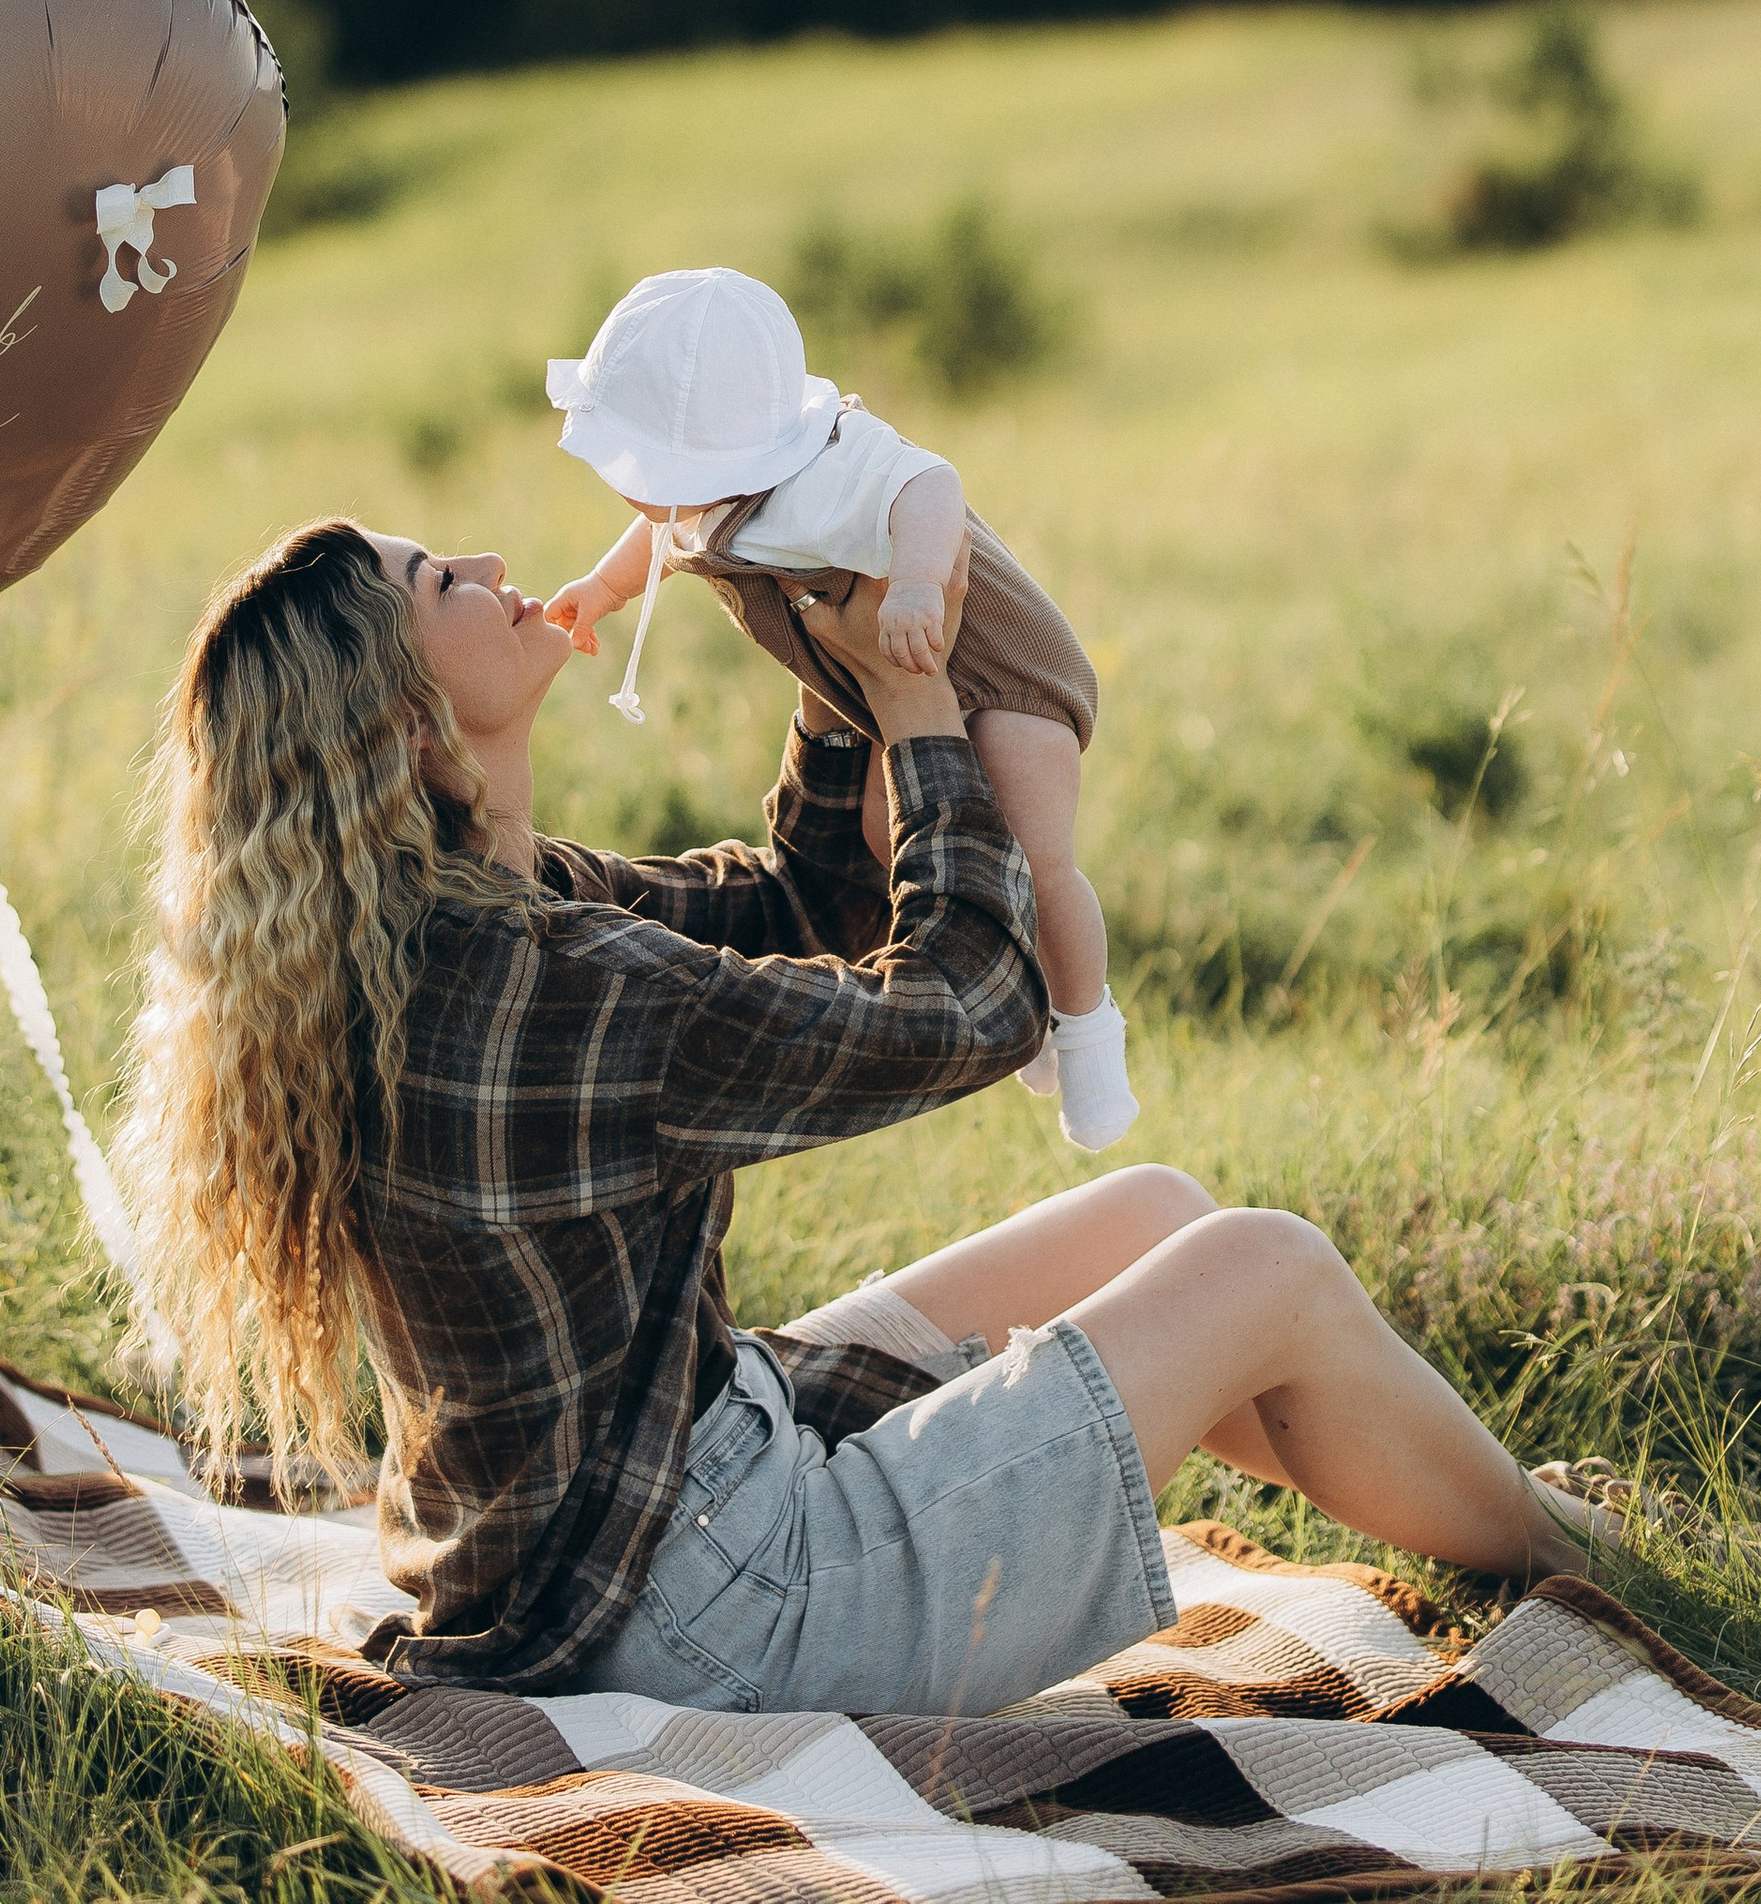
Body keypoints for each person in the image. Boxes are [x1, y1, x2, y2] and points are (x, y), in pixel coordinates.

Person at [120, 508, 1596, 1713]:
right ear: (409, 723)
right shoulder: (538, 983)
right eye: (442, 582)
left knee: (1160, 1220)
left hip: (618, 1532)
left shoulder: (446, 927)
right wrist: (918, 707)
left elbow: (791, 907)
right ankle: (1586, 1558)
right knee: (1264, 1267)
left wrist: (819, 646)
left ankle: (1500, 1518)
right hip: (716, 1609)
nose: (493, 564)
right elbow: (973, 1006)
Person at [544, 264, 1132, 1147]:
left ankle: (1088, 1032)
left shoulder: (828, 470)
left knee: (1040, 862)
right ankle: (1029, 1000)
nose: (632, 485)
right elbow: (663, 532)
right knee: (888, 839)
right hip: (897, 687)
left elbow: (931, 484)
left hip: (1005, 674)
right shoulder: (710, 490)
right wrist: (602, 589)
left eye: (642, 461)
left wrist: (919, 584)